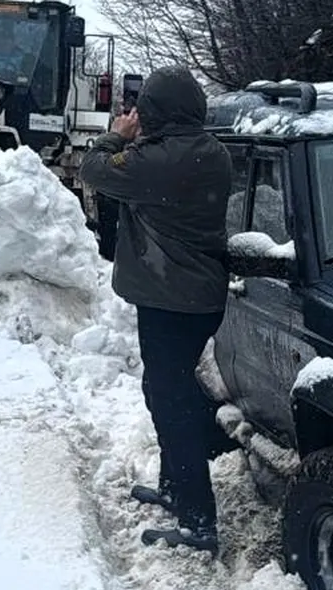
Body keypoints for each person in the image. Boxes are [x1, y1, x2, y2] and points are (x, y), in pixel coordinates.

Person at [79, 66, 234, 553]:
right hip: (195, 297)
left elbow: (93, 170)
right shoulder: (213, 151)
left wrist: (115, 136)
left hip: (171, 301)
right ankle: (174, 489)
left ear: (154, 112)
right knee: (170, 389)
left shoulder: (156, 161)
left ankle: (197, 522)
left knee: (172, 405)